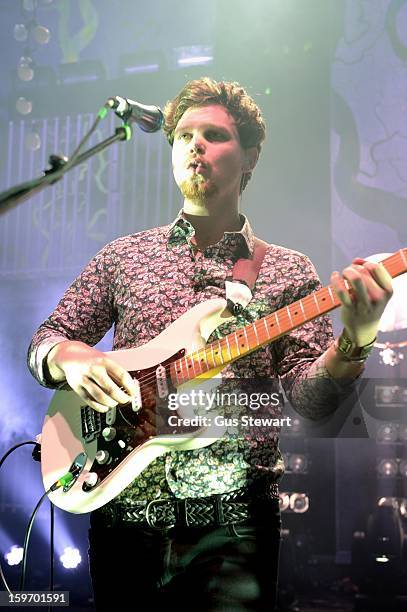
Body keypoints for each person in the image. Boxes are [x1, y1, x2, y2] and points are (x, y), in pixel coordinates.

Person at [27, 77, 393, 611]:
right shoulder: (123, 258)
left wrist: (357, 338)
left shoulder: (289, 271)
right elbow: (46, 339)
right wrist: (70, 357)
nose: (194, 145)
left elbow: (310, 405)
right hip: (122, 517)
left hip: (234, 529)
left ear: (249, 156)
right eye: (183, 135)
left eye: (214, 134)